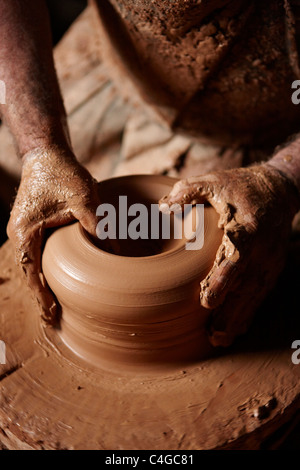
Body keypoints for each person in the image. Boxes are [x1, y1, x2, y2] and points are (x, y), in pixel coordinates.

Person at [0, 0, 300, 347]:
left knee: (246, 283)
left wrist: (284, 178)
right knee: (11, 172)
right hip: (122, 60)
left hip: (275, 135)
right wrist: (40, 146)